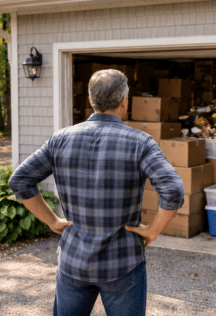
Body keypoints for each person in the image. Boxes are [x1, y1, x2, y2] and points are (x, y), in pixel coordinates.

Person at [9, 69, 184, 316]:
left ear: (91, 101)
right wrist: (152, 231)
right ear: (125, 101)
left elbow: (20, 181)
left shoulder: (59, 140)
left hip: (73, 263)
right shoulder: (140, 143)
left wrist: (53, 221)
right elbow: (173, 190)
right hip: (123, 263)